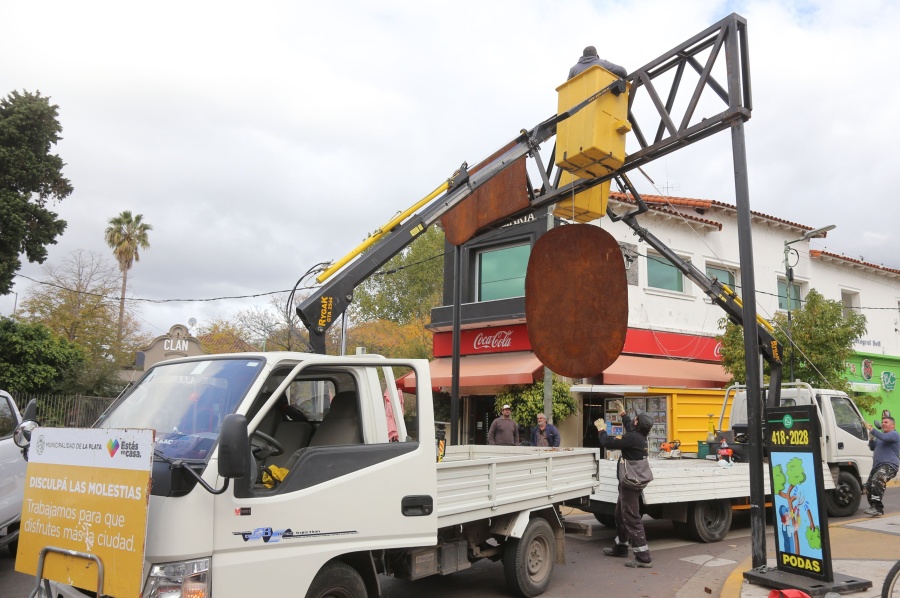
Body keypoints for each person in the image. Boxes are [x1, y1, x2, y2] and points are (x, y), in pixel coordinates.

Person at [594, 399, 654, 568]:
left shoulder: (632, 438)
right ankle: (621, 547)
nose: (632, 421)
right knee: (620, 515)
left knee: (632, 518)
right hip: (628, 482)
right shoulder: (639, 436)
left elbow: (607, 443)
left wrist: (601, 430)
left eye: (635, 419)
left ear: (637, 423)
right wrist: (623, 414)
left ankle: (643, 557)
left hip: (629, 484)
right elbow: (630, 427)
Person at [864, 413, 899, 517]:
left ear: (893, 425)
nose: (883, 424)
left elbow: (883, 437)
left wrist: (872, 429)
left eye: (886, 422)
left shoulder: (894, 434)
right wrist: (871, 439)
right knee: (869, 486)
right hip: (877, 466)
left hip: (889, 465)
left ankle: (877, 507)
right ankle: (875, 508)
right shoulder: (881, 436)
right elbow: (872, 447)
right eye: (882, 422)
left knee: (877, 480)